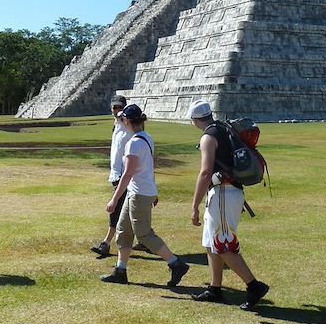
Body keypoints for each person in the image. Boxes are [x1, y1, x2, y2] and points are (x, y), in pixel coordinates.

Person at [187, 99, 269, 310]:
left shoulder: (208, 137)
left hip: (223, 193)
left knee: (223, 244)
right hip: (228, 192)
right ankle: (215, 289)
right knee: (211, 242)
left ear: (195, 120)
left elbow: (205, 172)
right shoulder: (223, 128)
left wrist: (194, 205)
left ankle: (254, 286)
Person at [100, 104, 190, 286]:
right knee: (123, 231)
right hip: (139, 192)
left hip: (139, 194)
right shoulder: (146, 137)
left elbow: (127, 174)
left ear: (127, 121)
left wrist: (114, 199)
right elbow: (146, 169)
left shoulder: (133, 143)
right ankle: (120, 270)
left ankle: (175, 263)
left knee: (144, 235)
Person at [90, 95, 132, 257]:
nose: (117, 111)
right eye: (114, 107)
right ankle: (146, 239)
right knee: (129, 211)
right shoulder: (116, 126)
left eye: (120, 108)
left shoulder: (128, 127)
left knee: (116, 209)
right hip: (116, 173)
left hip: (124, 174)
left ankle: (106, 243)